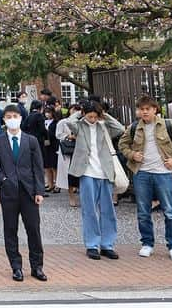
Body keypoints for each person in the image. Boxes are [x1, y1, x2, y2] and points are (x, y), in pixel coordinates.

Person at [118, 95, 172, 260]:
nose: (144, 112)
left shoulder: (167, 125)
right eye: (142, 109)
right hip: (142, 173)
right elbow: (122, 145)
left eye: (148, 109)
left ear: (155, 110)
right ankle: (147, 243)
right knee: (143, 212)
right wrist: (132, 154)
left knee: (169, 211)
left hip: (164, 173)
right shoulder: (134, 127)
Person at [0, 104, 47, 283]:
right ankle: (16, 266)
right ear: (4, 120)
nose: (12, 119)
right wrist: (3, 179)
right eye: (8, 116)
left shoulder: (31, 140)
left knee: (33, 230)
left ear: (20, 118)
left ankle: (37, 266)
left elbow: (38, 167)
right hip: (9, 192)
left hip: (29, 192)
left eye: (15, 115)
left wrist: (39, 191)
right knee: (10, 230)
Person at [66, 101, 125, 260]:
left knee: (108, 210)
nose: (92, 119)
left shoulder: (104, 126)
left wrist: (104, 115)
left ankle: (107, 244)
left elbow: (120, 128)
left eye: (94, 116)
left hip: (105, 171)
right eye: (89, 116)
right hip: (87, 172)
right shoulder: (79, 126)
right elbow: (69, 122)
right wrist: (80, 112)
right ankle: (92, 244)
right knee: (89, 210)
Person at [56, 103, 82, 207]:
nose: (74, 112)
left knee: (80, 173)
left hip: (79, 149)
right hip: (67, 149)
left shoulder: (81, 122)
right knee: (69, 174)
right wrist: (69, 136)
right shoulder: (63, 122)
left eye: (77, 110)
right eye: (73, 109)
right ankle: (71, 196)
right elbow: (58, 134)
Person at [42, 106, 59, 192]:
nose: (47, 114)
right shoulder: (43, 121)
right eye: (46, 112)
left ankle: (57, 184)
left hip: (53, 146)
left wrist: (47, 131)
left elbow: (55, 134)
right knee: (47, 166)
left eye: (49, 112)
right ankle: (50, 184)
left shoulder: (56, 123)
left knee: (54, 166)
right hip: (45, 146)